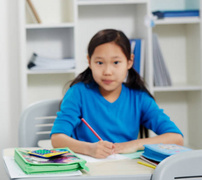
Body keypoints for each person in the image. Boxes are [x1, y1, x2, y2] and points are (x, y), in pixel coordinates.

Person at [50, 29, 183, 159]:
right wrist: (89, 149)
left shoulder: (139, 97)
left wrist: (134, 145)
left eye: (116, 62)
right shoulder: (77, 93)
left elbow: (176, 138)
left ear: (129, 61)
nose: (107, 71)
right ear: (89, 61)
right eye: (100, 63)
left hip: (126, 170)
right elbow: (57, 139)